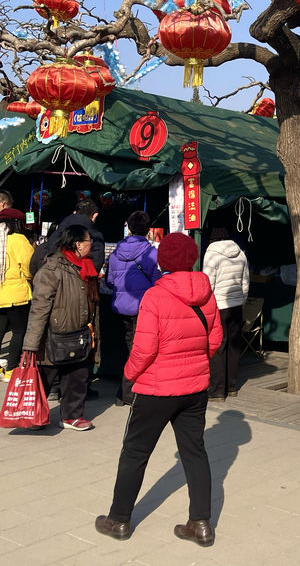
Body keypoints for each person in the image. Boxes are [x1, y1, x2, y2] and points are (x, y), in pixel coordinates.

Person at [95, 232, 222, 547]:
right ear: (192, 258)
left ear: (162, 260)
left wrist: (129, 374)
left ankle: (119, 519)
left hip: (156, 388)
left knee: (136, 452)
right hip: (194, 388)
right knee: (195, 452)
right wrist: (194, 361)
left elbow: (143, 348)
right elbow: (215, 338)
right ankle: (201, 522)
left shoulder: (155, 295)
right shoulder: (207, 293)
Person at [22, 224, 98, 431]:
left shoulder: (86, 267)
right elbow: (39, 308)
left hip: (79, 333)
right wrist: (31, 344)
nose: (91, 244)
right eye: (88, 241)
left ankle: (71, 416)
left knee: (78, 377)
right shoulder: (52, 269)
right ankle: (33, 416)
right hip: (53, 336)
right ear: (78, 245)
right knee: (45, 377)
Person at [105, 211, 161, 406]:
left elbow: (110, 281)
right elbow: (158, 283)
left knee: (128, 348)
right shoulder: (153, 254)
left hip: (121, 309)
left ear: (129, 228)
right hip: (144, 309)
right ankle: (128, 393)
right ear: (148, 230)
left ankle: (125, 393)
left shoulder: (115, 253)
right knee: (140, 351)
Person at [202, 227, 249, 401]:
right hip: (236, 306)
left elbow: (208, 284)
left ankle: (216, 391)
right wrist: (242, 301)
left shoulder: (211, 254)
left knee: (218, 347)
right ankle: (231, 387)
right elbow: (245, 282)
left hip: (218, 306)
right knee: (234, 346)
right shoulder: (240, 254)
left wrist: (208, 306)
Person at [30, 198, 105, 276]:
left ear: (75, 212)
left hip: (51, 279)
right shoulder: (95, 236)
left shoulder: (58, 231)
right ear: (95, 215)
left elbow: (39, 261)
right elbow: (96, 266)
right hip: (79, 283)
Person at [0, 208, 34, 381]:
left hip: (0, 294)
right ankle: (11, 369)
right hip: (16, 295)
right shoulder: (18, 240)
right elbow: (29, 267)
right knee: (19, 332)